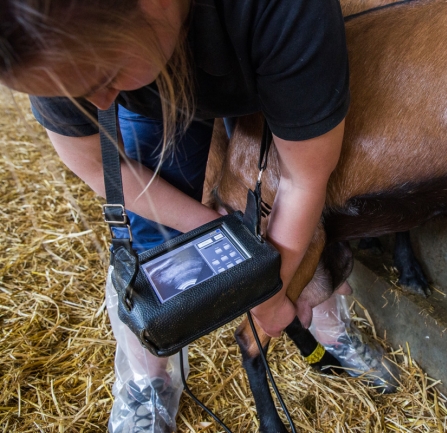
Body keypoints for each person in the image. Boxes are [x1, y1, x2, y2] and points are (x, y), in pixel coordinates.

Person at [0, 0, 397, 431]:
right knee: (157, 238)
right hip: (154, 83)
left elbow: (304, 179)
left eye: (105, 76)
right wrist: (218, 238)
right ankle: (149, 381)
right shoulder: (40, 34)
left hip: (256, 59)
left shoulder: (288, 11)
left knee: (296, 212)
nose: (99, 103)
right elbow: (98, 165)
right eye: (71, 92)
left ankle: (325, 314)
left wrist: (268, 296)